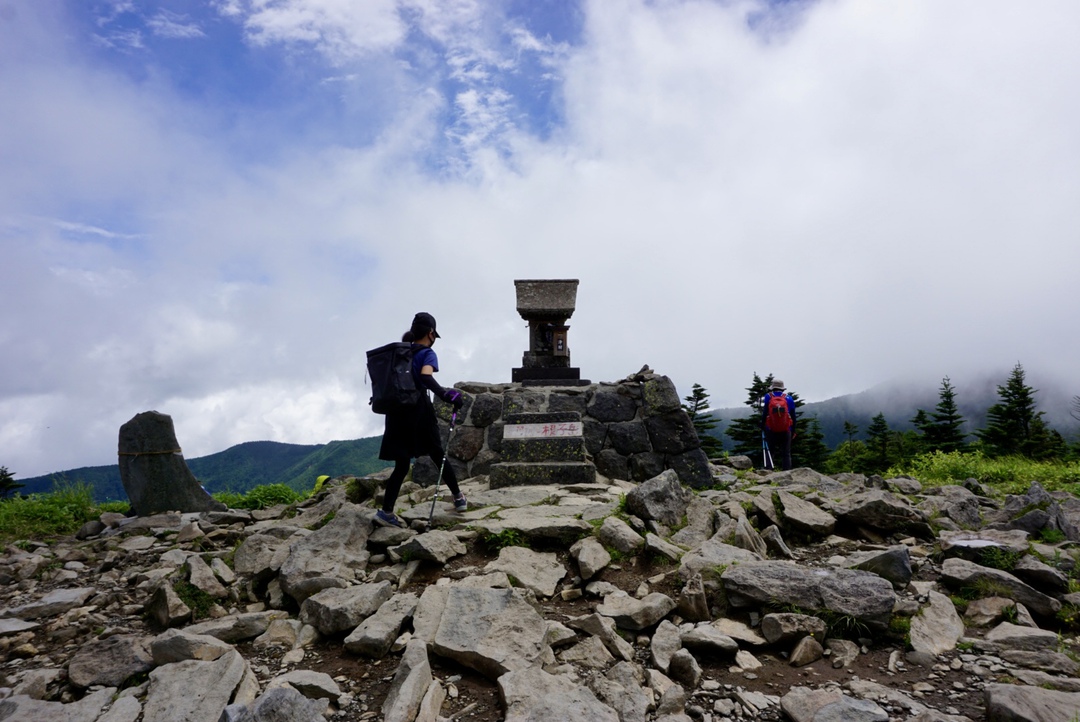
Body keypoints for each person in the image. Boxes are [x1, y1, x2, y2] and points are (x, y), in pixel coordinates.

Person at [376, 312, 467, 528]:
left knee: (401, 464)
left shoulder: (400, 353)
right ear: (431, 333)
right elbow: (426, 376)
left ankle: (386, 512)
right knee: (437, 453)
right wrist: (446, 395)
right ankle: (458, 498)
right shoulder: (427, 353)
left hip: (396, 411)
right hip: (418, 410)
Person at [761, 379, 796, 471]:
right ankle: (787, 471)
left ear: (773, 388)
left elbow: (765, 413)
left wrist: (762, 425)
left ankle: (768, 470)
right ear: (782, 388)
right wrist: (793, 430)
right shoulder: (789, 398)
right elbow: (793, 416)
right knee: (786, 453)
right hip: (786, 429)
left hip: (771, 428)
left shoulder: (768, 396)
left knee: (770, 451)